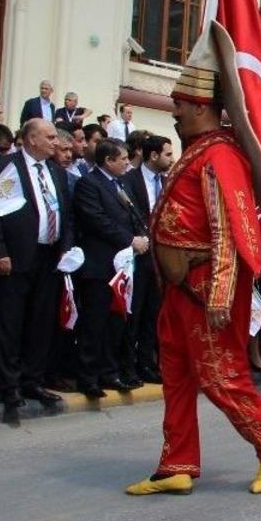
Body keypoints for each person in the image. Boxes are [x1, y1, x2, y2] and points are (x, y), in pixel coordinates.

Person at [125, 43, 261, 496]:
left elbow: (232, 229)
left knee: (221, 376)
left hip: (205, 290)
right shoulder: (197, 149)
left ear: (201, 107)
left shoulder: (219, 156)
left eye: (179, 106)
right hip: (179, 289)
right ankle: (176, 464)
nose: (174, 114)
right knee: (176, 375)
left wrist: (221, 292)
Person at [0, 118, 74, 425]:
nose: (56, 142)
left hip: (49, 257)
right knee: (11, 321)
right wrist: (0, 252)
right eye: (50, 137)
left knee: (40, 321)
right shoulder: (8, 167)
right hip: (18, 256)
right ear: (32, 139)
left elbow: (65, 214)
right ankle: (10, 385)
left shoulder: (56, 173)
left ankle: (33, 379)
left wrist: (65, 247)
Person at [72, 137, 149, 396]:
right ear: (108, 160)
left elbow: (133, 214)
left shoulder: (121, 183)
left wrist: (141, 235)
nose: (128, 164)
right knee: (95, 322)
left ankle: (109, 371)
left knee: (116, 321)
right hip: (99, 264)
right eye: (123, 159)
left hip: (123, 266)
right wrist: (129, 240)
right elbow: (97, 220)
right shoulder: (89, 184)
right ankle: (88, 376)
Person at [121, 134, 173, 383]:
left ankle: (147, 364)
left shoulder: (167, 182)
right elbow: (128, 215)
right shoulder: (129, 180)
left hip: (159, 258)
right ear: (153, 156)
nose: (171, 159)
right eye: (168, 154)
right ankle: (128, 366)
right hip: (137, 255)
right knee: (134, 313)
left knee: (153, 313)